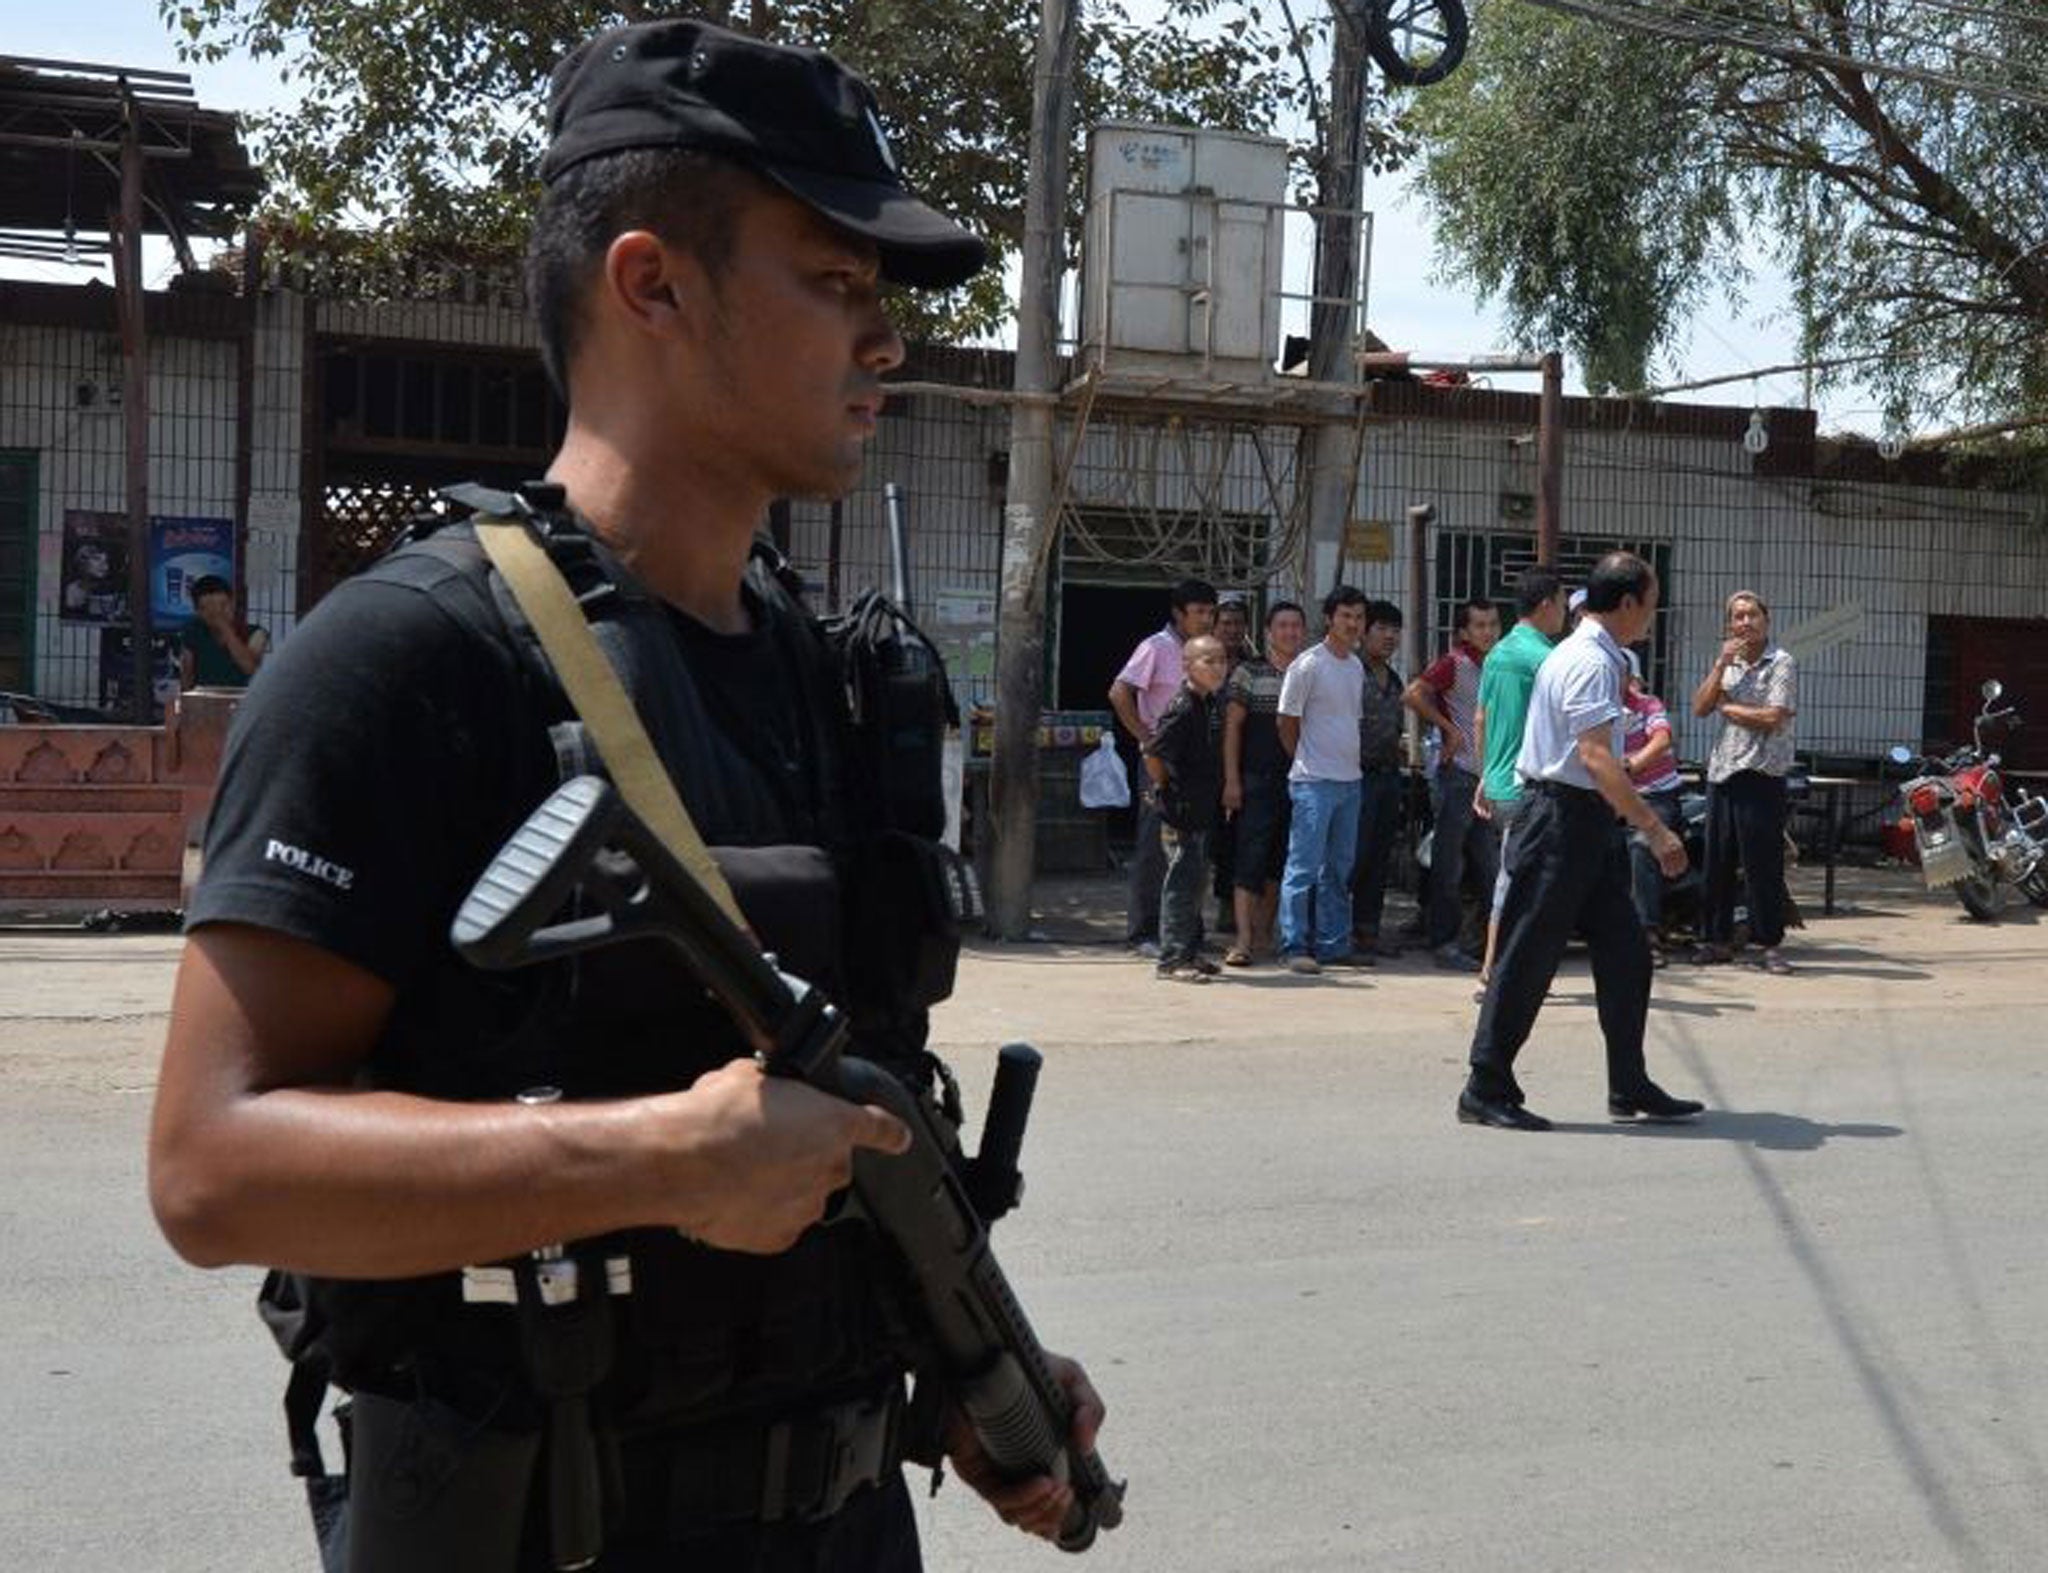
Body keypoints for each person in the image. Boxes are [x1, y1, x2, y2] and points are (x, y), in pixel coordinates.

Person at [147, 20, 1100, 1570]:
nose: (885, 340)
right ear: (652, 282)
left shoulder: (835, 673)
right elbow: (210, 1168)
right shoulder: (407, 659)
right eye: (836, 281)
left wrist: (953, 1384)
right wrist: (659, 1156)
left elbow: (835, 1134)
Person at [1460, 552, 1702, 1131]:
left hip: (1586, 823)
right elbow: (1595, 757)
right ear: (1626, 604)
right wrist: (1655, 828)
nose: (1652, 613)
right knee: (1526, 957)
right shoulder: (1588, 661)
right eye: (1650, 601)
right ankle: (1484, 1085)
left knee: (1627, 952)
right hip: (1560, 821)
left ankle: (1629, 1083)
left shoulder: (1595, 653)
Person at [1690, 589, 1798, 974]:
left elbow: (1774, 717)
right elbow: (1700, 707)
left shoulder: (1780, 662)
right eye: (1738, 616)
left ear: (1766, 621)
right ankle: (1714, 939)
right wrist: (1720, 666)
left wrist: (1729, 707)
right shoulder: (1728, 664)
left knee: (1762, 864)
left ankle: (1769, 943)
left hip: (1762, 773)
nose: (1745, 622)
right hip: (1723, 771)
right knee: (1716, 860)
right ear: (1729, 625)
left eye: (1753, 615)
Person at [1109, 578, 1219, 952]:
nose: (1206, 619)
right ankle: (1143, 931)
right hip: (1161, 759)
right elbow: (1119, 691)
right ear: (1179, 613)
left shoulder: (1207, 653)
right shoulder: (1155, 647)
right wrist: (1144, 736)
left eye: (1210, 612)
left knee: (1192, 852)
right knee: (1155, 845)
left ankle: (1186, 933)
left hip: (1196, 765)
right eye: (1199, 612)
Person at [1472, 570, 1568, 985]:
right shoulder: (1548, 658)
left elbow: (1480, 719)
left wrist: (1482, 775)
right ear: (1546, 603)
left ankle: (1499, 968)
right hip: (1531, 787)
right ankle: (1498, 971)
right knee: (1519, 884)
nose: (1564, 614)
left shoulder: (1498, 653)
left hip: (1497, 785)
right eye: (1563, 604)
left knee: (1513, 876)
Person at [1275, 586, 1369, 975]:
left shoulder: (1356, 666)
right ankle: (1295, 944)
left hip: (1350, 781)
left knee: (1338, 868)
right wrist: (1304, 759)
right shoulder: (1308, 665)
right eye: (1345, 615)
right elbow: (1286, 722)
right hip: (1313, 781)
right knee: (1303, 867)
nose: (1353, 623)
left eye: (1359, 617)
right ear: (1330, 618)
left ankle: (1333, 944)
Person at [1405, 597, 1502, 970]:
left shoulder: (1495, 663)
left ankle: (1481, 942)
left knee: (1488, 865)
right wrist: (1447, 730)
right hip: (1458, 775)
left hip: (1484, 777)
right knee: (1450, 865)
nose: (1488, 631)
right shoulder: (1455, 663)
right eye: (1479, 625)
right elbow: (1413, 693)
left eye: (1492, 624)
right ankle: (1444, 942)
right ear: (1464, 631)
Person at [1222, 601, 1306, 965]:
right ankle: (1241, 939)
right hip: (1255, 780)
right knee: (1249, 858)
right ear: (1269, 632)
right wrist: (1231, 780)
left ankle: (1263, 935)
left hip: (1300, 782)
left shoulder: (1310, 671)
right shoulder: (1248, 673)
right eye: (1282, 626)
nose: (1289, 632)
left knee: (1281, 861)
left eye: (1295, 626)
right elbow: (1233, 728)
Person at [1145, 635, 1229, 983]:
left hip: (1202, 808)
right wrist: (1165, 788)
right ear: (1187, 665)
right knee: (1180, 885)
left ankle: (1190, 952)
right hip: (1181, 811)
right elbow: (1153, 753)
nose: (1217, 667)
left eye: (1222, 660)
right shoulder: (1182, 706)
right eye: (1208, 661)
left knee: (1196, 883)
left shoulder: (1208, 702)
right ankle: (1172, 959)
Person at [1349, 599, 1407, 957]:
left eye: (1395, 630)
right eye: (1382, 628)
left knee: (1378, 858)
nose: (1390, 637)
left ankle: (1368, 931)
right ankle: (1336, 931)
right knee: (1351, 857)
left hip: (1389, 777)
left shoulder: (1395, 679)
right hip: (1356, 777)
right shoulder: (1350, 670)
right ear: (1364, 631)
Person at [1622, 653, 1685, 964]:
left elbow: (1661, 740)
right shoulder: (1595, 707)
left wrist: (1630, 766)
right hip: (1612, 797)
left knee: (1642, 845)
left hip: (1655, 795)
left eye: (1627, 676)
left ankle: (1646, 933)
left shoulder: (1648, 705)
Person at [1207, 598, 1251, 929]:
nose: (1233, 630)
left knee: (1234, 843)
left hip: (1240, 766)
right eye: (1227, 624)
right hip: (1205, 766)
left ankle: (1229, 914)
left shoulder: (1254, 666)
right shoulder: (1204, 665)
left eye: (1238, 624)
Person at [177, 573, 268, 690]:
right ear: (198, 612)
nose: (218, 612)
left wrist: (224, 627)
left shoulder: (256, 633)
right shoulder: (193, 631)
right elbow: (187, 675)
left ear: (233, 604)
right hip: (204, 700)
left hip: (243, 700)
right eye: (209, 608)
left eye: (224, 605)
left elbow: (250, 668)